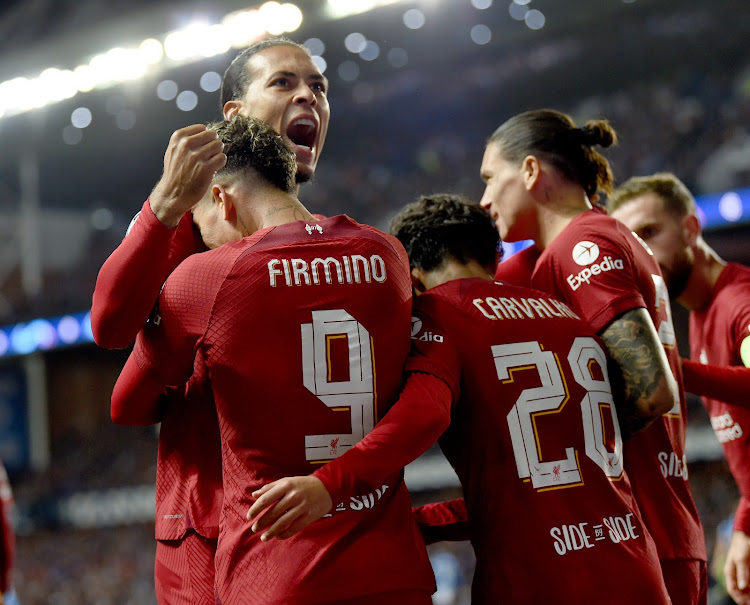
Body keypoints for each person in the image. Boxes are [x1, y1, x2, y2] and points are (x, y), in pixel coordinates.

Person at [247, 194, 670, 604]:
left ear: (410, 276)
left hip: (540, 579)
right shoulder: (566, 316)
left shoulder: (438, 310)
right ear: (493, 258)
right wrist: (418, 522)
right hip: (636, 566)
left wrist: (329, 485)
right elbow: (546, 491)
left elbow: (424, 413)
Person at [111, 115, 436, 604]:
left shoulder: (205, 277)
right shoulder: (386, 253)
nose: (202, 231)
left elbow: (127, 404)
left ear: (221, 198)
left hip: (276, 569)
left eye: (199, 218)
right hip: (390, 565)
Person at [91, 37, 330, 603]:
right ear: (235, 114)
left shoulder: (332, 240)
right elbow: (108, 331)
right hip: (207, 529)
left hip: (304, 520)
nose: (308, 97)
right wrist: (167, 205)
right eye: (284, 82)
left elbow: (131, 398)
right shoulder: (190, 218)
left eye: (318, 87)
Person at [482, 109, 706, 603]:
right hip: (648, 529)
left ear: (531, 172)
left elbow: (650, 392)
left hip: (636, 532)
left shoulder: (581, 244)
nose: (483, 199)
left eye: (489, 178)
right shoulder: (580, 243)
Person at [608, 172, 750, 605]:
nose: (644, 253)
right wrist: (744, 525)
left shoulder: (738, 302)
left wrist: (666, 366)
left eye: (651, 232)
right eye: (633, 243)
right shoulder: (700, 314)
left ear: (691, 227)